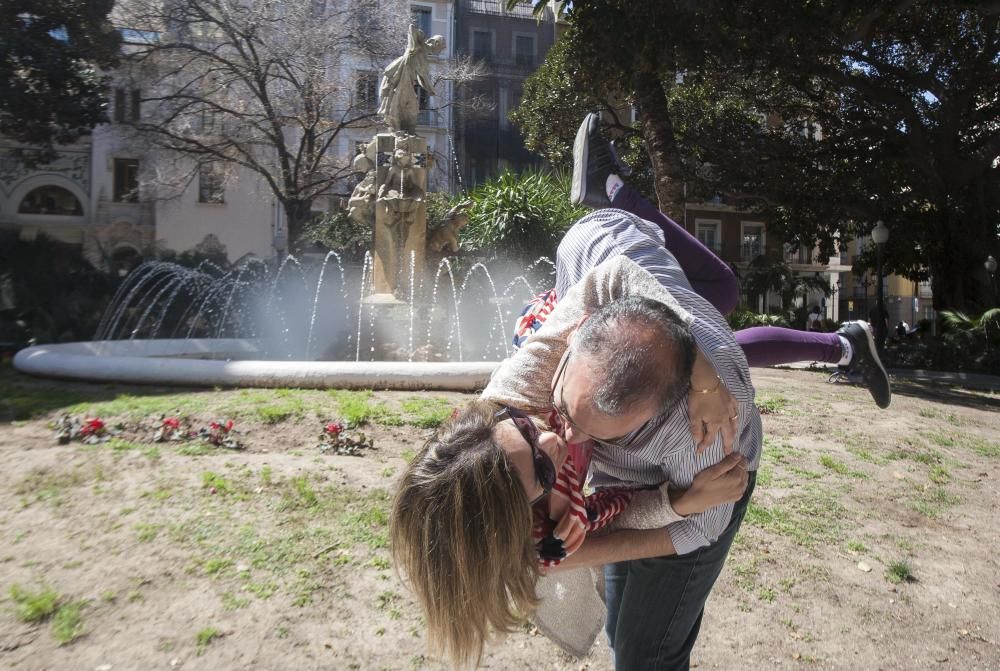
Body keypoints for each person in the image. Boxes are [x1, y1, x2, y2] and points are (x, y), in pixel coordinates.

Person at [568, 112, 889, 409]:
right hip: (613, 355)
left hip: (607, 350)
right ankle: (612, 191)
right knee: (718, 314)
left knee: (718, 317)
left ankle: (845, 346)